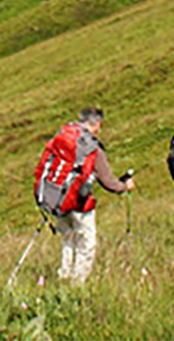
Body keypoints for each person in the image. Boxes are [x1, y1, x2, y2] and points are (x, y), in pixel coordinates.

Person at [49, 108, 135, 284]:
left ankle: (63, 276)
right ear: (97, 124)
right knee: (86, 244)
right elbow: (108, 182)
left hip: (58, 198)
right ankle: (76, 285)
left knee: (68, 240)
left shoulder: (65, 137)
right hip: (80, 202)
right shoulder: (92, 147)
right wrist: (125, 186)